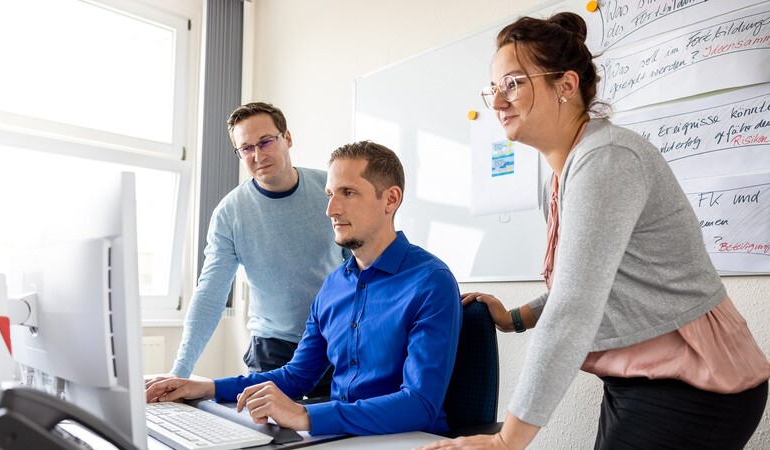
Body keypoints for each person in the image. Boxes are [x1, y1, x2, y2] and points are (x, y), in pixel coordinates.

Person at [421, 12, 770, 450]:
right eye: (494, 88)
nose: (497, 102)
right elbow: (589, 280)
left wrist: (506, 441)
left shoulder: (606, 159)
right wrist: (516, 318)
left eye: (512, 83)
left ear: (566, 85)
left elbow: (575, 305)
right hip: (646, 377)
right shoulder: (567, 171)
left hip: (698, 381)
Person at [146, 141, 463, 435]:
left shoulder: (430, 281)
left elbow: (420, 405)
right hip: (340, 437)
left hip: (405, 440)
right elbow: (296, 377)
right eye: (330, 194)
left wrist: (307, 417)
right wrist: (206, 388)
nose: (331, 210)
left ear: (390, 199)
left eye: (348, 193)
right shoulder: (334, 286)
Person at [149, 102, 348, 398]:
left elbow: (357, 267)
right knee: (270, 440)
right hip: (272, 348)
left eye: (266, 141)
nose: (258, 155)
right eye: (246, 148)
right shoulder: (230, 213)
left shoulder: (329, 191)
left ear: (287, 138)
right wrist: (180, 372)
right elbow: (210, 294)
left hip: (335, 342)